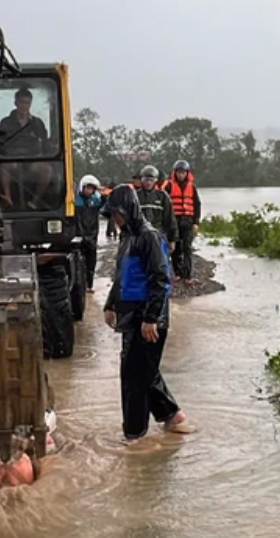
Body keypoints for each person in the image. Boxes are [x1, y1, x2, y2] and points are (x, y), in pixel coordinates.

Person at [101, 185, 194, 441]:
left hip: (149, 320)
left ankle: (134, 437)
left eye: (117, 216)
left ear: (126, 210)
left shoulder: (150, 237)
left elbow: (161, 279)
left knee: (134, 378)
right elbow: (121, 276)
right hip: (131, 317)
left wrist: (152, 318)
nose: (115, 222)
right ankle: (173, 418)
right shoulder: (126, 238)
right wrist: (110, 304)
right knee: (142, 371)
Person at [161, 160, 202, 287]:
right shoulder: (169, 186)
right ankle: (178, 273)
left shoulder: (192, 187)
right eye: (179, 172)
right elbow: (164, 204)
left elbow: (197, 204)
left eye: (183, 173)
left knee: (187, 248)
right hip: (174, 220)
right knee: (176, 248)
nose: (181, 175)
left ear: (187, 173)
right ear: (175, 173)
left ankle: (187, 275)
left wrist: (196, 222)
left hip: (188, 221)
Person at [134, 165, 178, 254]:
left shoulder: (163, 196)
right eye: (146, 180)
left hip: (158, 235)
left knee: (159, 264)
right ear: (141, 180)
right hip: (139, 236)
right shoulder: (134, 196)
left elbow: (170, 219)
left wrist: (172, 239)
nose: (148, 183)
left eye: (151, 180)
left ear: (156, 181)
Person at [75, 174, 104, 293]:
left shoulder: (96, 200)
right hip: (79, 234)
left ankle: (90, 284)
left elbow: (107, 207)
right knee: (79, 260)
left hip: (92, 235)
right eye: (88, 188)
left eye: (92, 188)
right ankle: (80, 283)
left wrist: (104, 194)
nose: (89, 191)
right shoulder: (76, 200)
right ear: (83, 187)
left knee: (91, 260)